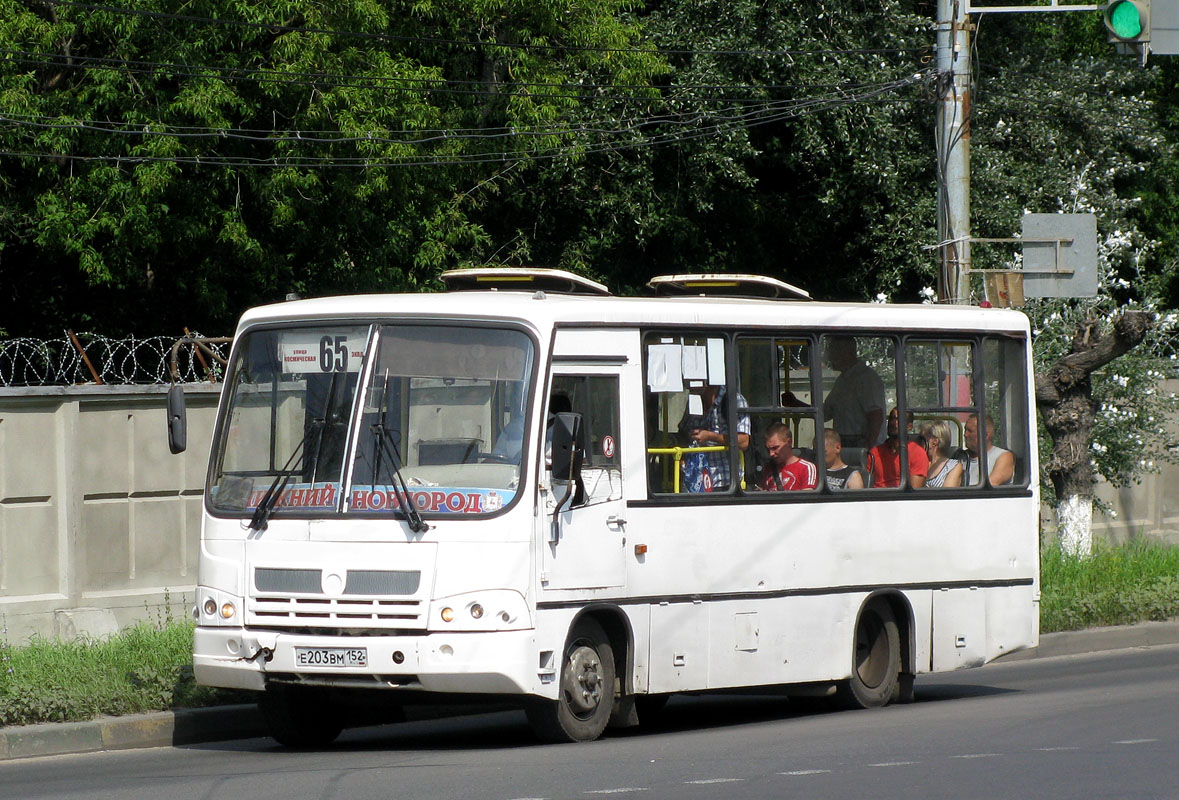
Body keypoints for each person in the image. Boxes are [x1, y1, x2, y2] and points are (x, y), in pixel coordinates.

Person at [682, 384, 750, 492]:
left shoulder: (734, 401)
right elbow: (683, 431)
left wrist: (709, 436)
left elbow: (744, 441)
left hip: (725, 480)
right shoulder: (693, 402)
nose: (689, 385)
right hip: (695, 481)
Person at [821, 336, 885, 450]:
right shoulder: (842, 380)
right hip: (844, 442)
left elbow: (875, 415)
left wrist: (868, 449)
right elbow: (826, 413)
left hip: (861, 444)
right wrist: (799, 405)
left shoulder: (866, 378)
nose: (830, 358)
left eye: (833, 352)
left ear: (845, 352)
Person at [865, 407, 929, 488]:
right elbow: (866, 485)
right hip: (876, 499)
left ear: (909, 427)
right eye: (891, 418)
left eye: (898, 420)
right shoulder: (874, 452)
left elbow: (914, 493)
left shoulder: (918, 453)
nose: (892, 423)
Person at [758, 422, 818, 491]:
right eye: (768, 449)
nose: (771, 453)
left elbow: (808, 497)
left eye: (775, 448)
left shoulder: (806, 468)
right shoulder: (768, 468)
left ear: (789, 442)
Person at [961, 414, 1015, 486]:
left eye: (970, 431)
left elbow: (990, 485)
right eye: (965, 430)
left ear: (986, 435)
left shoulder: (1003, 456)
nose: (965, 435)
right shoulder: (961, 456)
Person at [919, 419, 963, 488]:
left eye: (922, 439)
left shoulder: (953, 466)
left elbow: (947, 495)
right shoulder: (919, 462)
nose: (919, 443)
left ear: (935, 441)